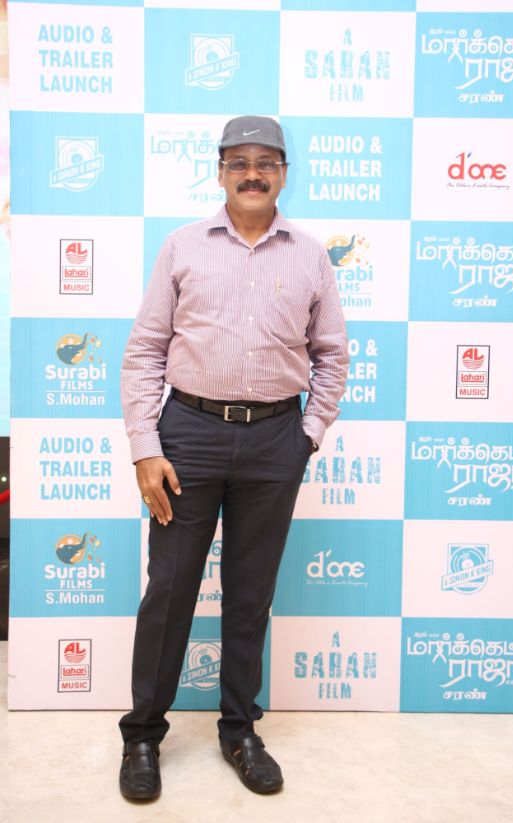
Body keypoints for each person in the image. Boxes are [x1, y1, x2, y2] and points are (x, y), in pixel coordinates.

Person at [118, 115, 349, 800]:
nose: (253, 173)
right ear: (220, 171)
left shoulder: (309, 256)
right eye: (239, 162)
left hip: (276, 440)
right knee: (170, 590)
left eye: (266, 162)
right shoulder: (182, 246)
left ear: (283, 173)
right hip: (188, 435)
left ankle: (240, 730)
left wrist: (307, 434)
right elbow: (145, 350)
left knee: (250, 595)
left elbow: (332, 354)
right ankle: (142, 735)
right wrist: (145, 447)